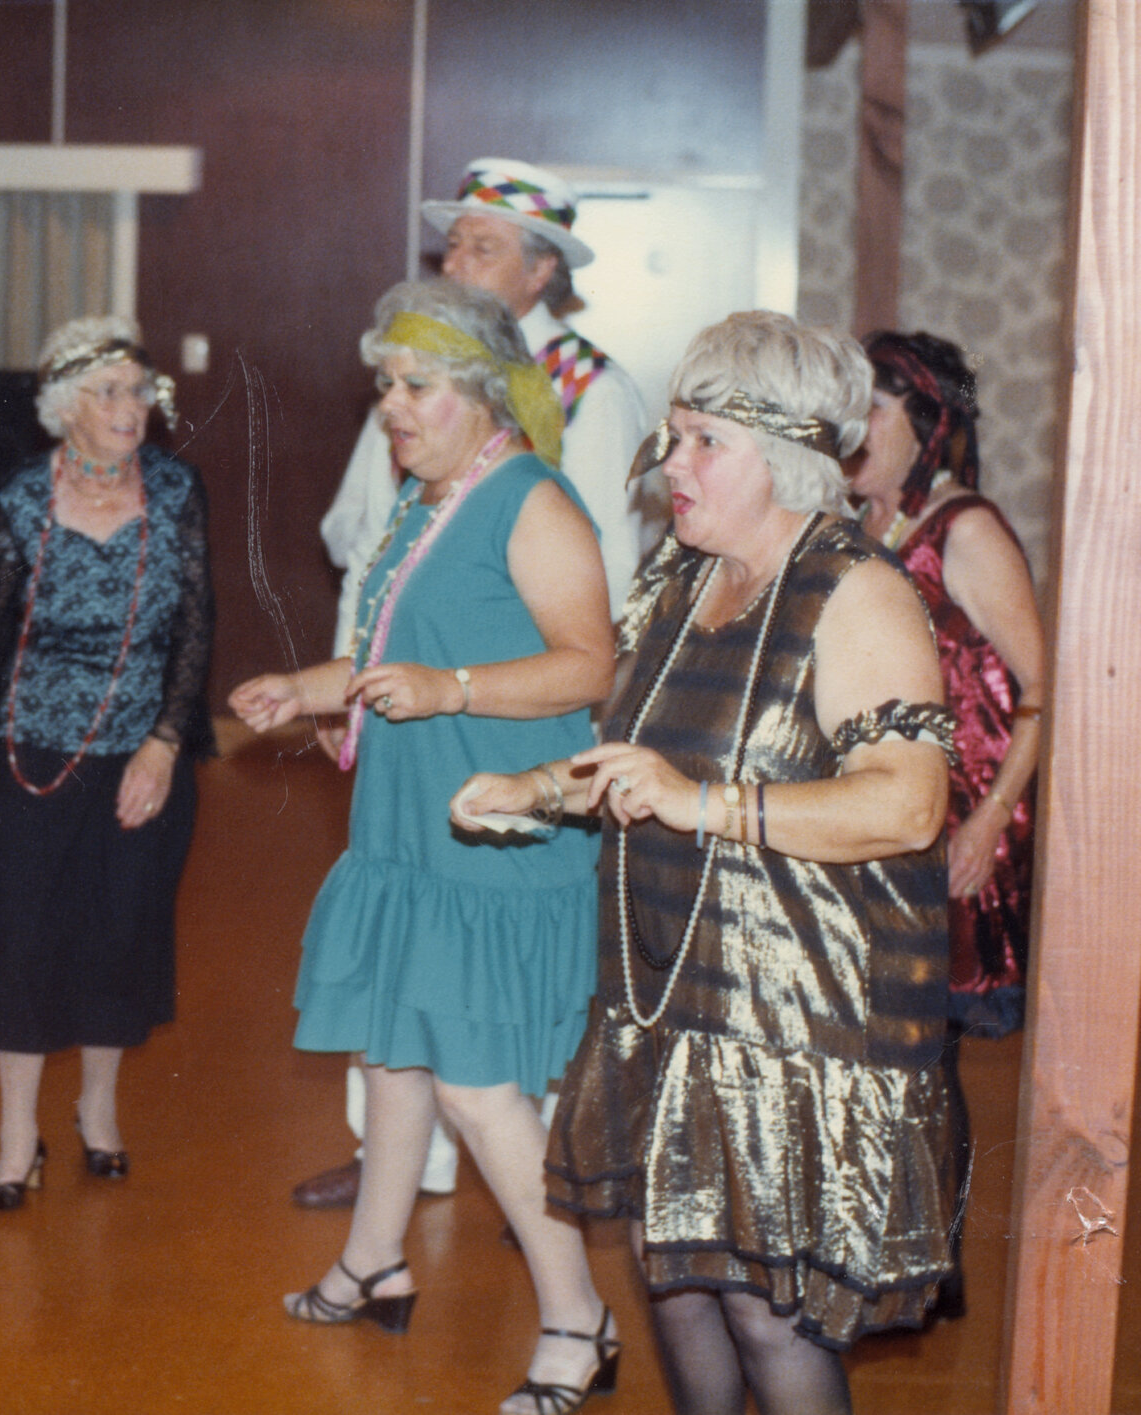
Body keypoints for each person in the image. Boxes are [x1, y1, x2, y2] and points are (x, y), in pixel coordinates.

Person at [453, 310, 957, 1415]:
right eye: (669, 438)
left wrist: (702, 803)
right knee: (680, 1288)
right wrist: (536, 790)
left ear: (781, 459)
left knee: (762, 1311)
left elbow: (907, 802)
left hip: (797, 1013)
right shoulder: (681, 582)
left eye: (698, 442)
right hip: (671, 996)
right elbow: (644, 767)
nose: (667, 465)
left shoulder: (853, 591)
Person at [232, 280, 618, 1415]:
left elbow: (589, 663)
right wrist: (303, 689)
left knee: (476, 1086)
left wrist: (450, 688)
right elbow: (386, 655)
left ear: (481, 391)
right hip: (408, 828)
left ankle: (576, 1320)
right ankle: (372, 1261)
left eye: (414, 385)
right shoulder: (422, 497)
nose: (391, 406)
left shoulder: (530, 501)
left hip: (491, 837)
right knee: (393, 1055)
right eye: (384, 385)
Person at [299, 156, 652, 1211]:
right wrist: (342, 692)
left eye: (483, 246)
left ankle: (533, 1181)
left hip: (504, 718)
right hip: (402, 708)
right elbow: (368, 542)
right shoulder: (415, 376)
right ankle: (395, 1182)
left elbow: (599, 590)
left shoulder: (591, 390)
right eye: (451, 243)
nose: (456, 258)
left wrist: (468, 690)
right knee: (404, 951)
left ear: (541, 273)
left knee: (490, 1005)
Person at [0, 315, 211, 1212]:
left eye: (140, 390)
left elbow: (194, 627)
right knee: (21, 942)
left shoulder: (175, 489)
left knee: (115, 934)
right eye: (109, 393)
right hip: (31, 750)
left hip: (138, 753)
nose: (132, 409)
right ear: (64, 408)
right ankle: (18, 1136)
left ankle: (98, 1105)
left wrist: (165, 743)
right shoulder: (19, 501)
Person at [848, 331, 1042, 1039]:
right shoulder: (864, 521)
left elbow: (1043, 688)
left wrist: (991, 820)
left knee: (925, 1044)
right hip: (883, 800)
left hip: (958, 815)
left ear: (927, 422)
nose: (850, 426)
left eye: (869, 408)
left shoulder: (966, 529)